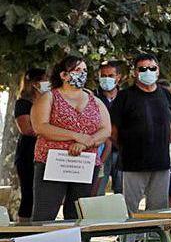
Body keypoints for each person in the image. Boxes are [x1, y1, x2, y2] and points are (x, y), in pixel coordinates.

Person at [30, 56, 110, 220]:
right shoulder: (49, 97)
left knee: (78, 215)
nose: (82, 74)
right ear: (64, 75)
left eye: (85, 70)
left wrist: (86, 143)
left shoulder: (95, 100)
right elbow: (41, 126)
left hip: (84, 163)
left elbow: (106, 129)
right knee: (45, 214)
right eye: (77, 70)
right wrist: (75, 136)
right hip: (53, 162)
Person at [110, 53, 171, 213]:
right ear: (135, 72)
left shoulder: (166, 94)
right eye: (143, 68)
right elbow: (112, 130)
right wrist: (125, 147)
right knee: (129, 210)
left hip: (161, 162)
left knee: (158, 211)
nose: (148, 71)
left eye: (152, 68)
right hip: (133, 163)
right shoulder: (125, 96)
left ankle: (153, 239)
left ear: (158, 70)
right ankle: (129, 239)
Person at [12, 67, 47, 221]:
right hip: (27, 153)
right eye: (44, 79)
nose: (48, 83)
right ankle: (23, 228)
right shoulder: (22, 103)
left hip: (45, 153)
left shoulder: (47, 101)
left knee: (44, 195)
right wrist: (48, 131)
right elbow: (26, 129)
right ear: (34, 83)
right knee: (29, 194)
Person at [92, 60, 123, 195]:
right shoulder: (91, 98)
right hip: (99, 150)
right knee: (96, 191)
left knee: (122, 192)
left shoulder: (126, 97)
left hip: (122, 150)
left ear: (118, 77)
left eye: (110, 76)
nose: (106, 79)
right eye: (103, 75)